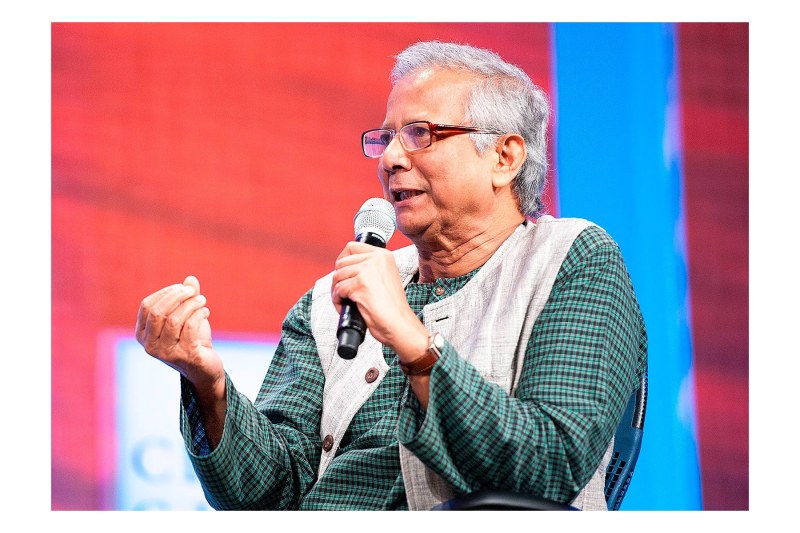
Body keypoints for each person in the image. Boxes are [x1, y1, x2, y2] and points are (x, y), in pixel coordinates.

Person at [136, 40, 647, 511]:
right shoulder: (331, 300)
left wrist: (413, 341)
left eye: (420, 134)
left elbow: (548, 468)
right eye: (386, 138)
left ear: (504, 157)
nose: (392, 160)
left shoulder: (571, 259)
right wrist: (209, 385)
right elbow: (267, 495)